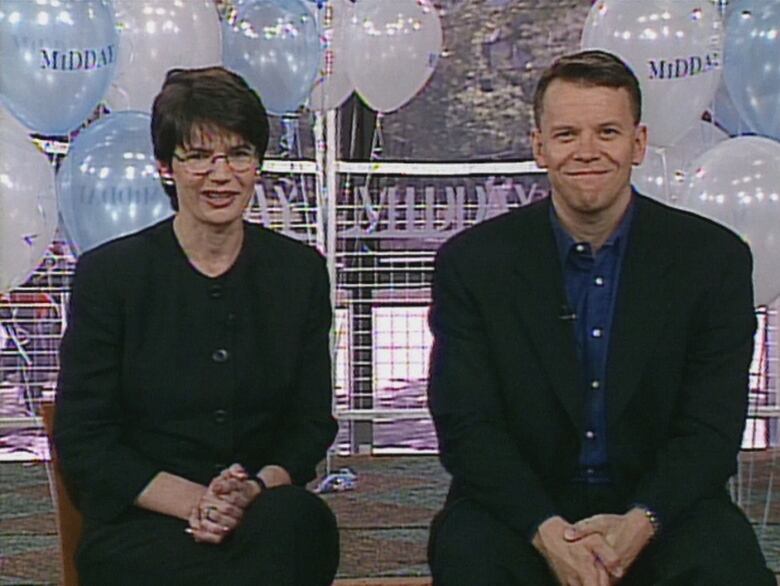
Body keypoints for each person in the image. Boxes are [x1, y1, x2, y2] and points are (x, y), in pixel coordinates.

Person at [426, 50, 774, 586]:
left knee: (727, 566)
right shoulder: (473, 265)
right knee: (470, 557)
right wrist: (547, 533)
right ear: (540, 148)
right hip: (522, 510)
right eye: (567, 135)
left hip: (661, 506)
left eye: (607, 132)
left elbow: (712, 424)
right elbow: (468, 424)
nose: (587, 152)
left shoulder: (712, 260)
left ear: (637, 144)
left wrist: (641, 523)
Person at [54, 67, 339, 586]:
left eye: (238, 154)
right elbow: (85, 438)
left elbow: (310, 423)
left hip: (261, 512)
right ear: (165, 167)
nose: (221, 174)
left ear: (258, 164)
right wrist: (194, 502)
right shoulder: (111, 277)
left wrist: (250, 490)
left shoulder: (298, 273)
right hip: (145, 520)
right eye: (199, 156)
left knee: (302, 523)